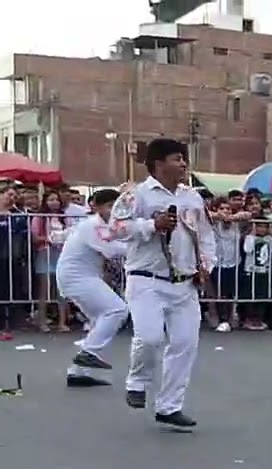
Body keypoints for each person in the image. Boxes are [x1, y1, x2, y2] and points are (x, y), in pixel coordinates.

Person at [111, 138, 216, 430]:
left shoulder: (192, 197)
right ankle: (137, 381)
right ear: (158, 163)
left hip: (185, 283)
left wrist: (206, 266)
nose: (183, 164)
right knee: (150, 337)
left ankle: (170, 406)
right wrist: (150, 226)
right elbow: (116, 229)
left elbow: (206, 236)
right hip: (146, 281)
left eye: (184, 158)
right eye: (176, 158)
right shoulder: (137, 196)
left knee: (184, 343)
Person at [55, 188, 130, 388]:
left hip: (83, 276)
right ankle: (89, 353)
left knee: (100, 319)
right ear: (96, 207)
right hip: (76, 277)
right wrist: (139, 249)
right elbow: (110, 250)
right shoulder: (92, 225)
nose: (113, 210)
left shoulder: (103, 225)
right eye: (109, 206)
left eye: (117, 206)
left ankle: (77, 373)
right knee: (117, 309)